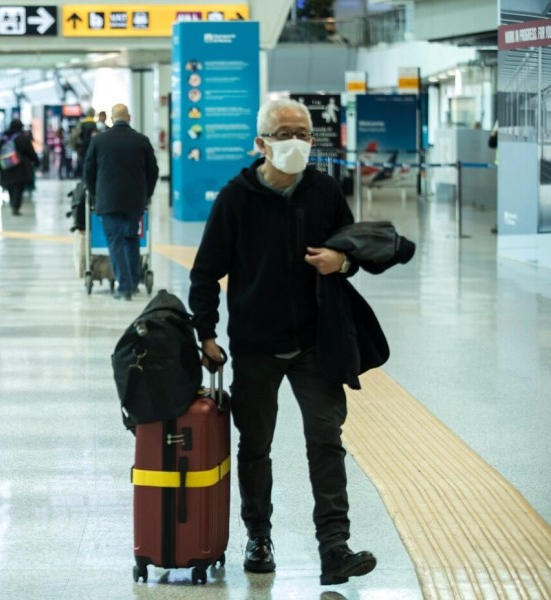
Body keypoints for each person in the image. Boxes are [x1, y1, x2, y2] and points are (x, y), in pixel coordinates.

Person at [188, 98, 376, 585]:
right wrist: (206, 333)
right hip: (256, 343)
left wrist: (342, 262)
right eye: (284, 133)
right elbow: (205, 272)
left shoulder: (325, 191)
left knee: (326, 441)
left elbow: (354, 248)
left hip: (317, 342)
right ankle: (258, 536)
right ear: (261, 143)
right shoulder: (236, 198)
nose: (296, 142)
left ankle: (335, 547)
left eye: (303, 134)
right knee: (255, 446)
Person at [83, 103, 158, 301]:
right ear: (129, 118)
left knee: (115, 242)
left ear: (111, 118)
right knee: (131, 239)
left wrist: (96, 194)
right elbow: (153, 172)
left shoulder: (99, 141)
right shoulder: (141, 141)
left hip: (108, 201)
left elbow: (88, 172)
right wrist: (146, 194)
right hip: (135, 201)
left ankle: (125, 287)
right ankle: (132, 283)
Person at [0, 118, 38, 216]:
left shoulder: (4, 137)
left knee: (10, 186)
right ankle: (15, 205)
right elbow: (31, 152)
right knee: (19, 187)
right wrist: (36, 161)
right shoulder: (23, 137)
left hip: (6, 167)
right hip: (20, 167)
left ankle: (12, 202)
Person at [74, 108, 98, 178]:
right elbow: (95, 136)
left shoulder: (82, 123)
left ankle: (83, 177)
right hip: (90, 146)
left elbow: (78, 136)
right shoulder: (94, 124)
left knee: (82, 163)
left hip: (82, 147)